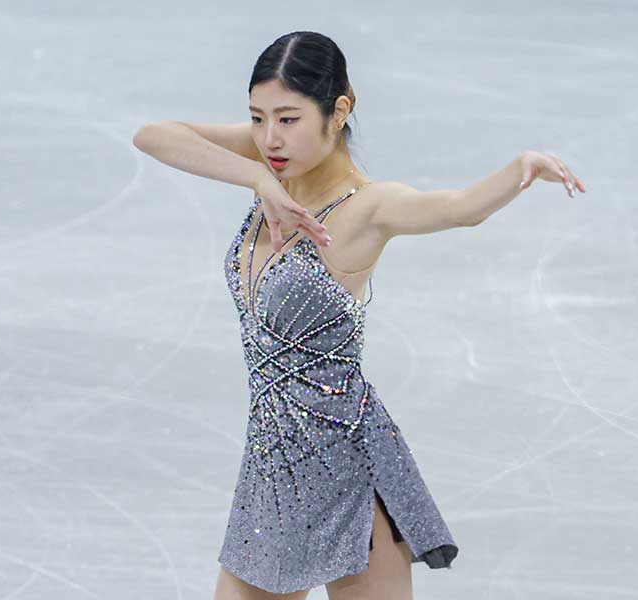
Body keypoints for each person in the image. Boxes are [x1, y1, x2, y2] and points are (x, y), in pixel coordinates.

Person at [133, 30, 584, 600]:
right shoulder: (270, 163)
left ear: (339, 110)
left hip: (348, 465)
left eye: (289, 118)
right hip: (272, 468)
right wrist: (255, 177)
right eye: (256, 117)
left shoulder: (370, 206)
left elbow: (458, 209)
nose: (269, 137)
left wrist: (520, 166)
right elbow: (153, 136)